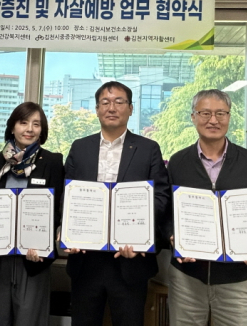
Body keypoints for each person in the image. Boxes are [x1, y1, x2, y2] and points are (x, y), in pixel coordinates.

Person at [63, 81, 170, 326]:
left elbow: (161, 197)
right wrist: (65, 230)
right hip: (85, 260)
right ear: (97, 109)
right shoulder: (80, 148)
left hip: (130, 260)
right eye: (105, 102)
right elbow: (67, 197)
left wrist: (140, 234)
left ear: (130, 108)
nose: (112, 108)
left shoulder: (148, 149)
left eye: (119, 102)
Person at [167, 89, 247, 326]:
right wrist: (172, 235)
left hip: (237, 279)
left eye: (220, 113)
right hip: (187, 278)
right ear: (193, 117)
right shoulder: (178, 162)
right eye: (205, 113)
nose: (213, 120)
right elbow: (166, 213)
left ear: (229, 116)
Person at [0, 102, 64, 326]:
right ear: (12, 127)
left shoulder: (52, 161)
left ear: (42, 129)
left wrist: (44, 245)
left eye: (36, 124)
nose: (29, 129)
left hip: (33, 259)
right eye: (23, 122)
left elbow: (57, 210)